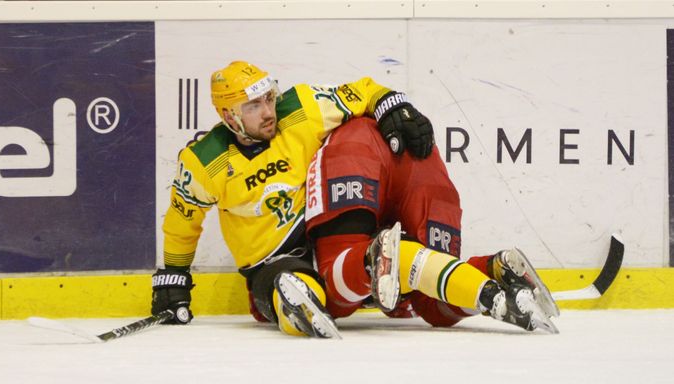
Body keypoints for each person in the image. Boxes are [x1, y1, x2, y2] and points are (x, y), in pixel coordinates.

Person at [150, 61, 434, 338]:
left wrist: (391, 106)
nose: (268, 112)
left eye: (269, 98)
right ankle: (292, 301)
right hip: (271, 261)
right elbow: (182, 224)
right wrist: (174, 277)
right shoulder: (203, 162)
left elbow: (362, 91)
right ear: (228, 116)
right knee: (280, 280)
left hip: (324, 238)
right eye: (253, 105)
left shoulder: (301, 107)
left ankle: (363, 274)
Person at [305, 115, 560, 333]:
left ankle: (373, 258)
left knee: (331, 289)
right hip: (422, 155)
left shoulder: (284, 134)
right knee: (431, 302)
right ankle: (492, 268)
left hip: (359, 145)